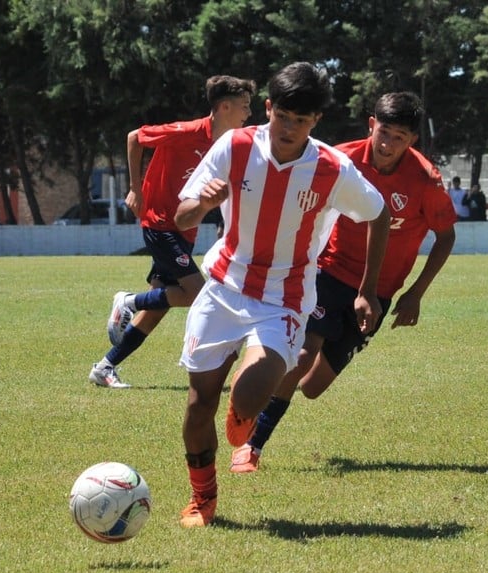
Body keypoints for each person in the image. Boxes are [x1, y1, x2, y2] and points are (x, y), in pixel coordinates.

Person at [173, 62, 391, 527]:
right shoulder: (233, 147)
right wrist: (205, 203)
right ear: (268, 108)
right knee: (197, 403)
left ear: (316, 122)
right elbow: (183, 217)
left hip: (285, 297)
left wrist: (368, 290)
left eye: (302, 120)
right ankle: (203, 498)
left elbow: (377, 213)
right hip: (224, 286)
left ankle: (245, 416)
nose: (289, 128)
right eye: (283, 116)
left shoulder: (332, 168)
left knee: (251, 393)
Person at [228, 91, 456, 474]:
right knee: (300, 357)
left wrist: (414, 294)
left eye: (399, 137)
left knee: (312, 387)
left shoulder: (425, 180)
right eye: (383, 132)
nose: (387, 144)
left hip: (378, 293)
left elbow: (446, 236)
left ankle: (263, 373)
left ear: (412, 140)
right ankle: (252, 444)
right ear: (371, 125)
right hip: (328, 273)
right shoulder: (341, 160)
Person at [89, 75, 257, 388]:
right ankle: (128, 301)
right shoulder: (188, 131)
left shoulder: (231, 144)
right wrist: (135, 189)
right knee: (196, 293)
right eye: (244, 107)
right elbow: (134, 138)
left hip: (184, 231)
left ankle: (104, 366)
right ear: (224, 107)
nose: (249, 113)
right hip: (160, 222)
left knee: (159, 306)